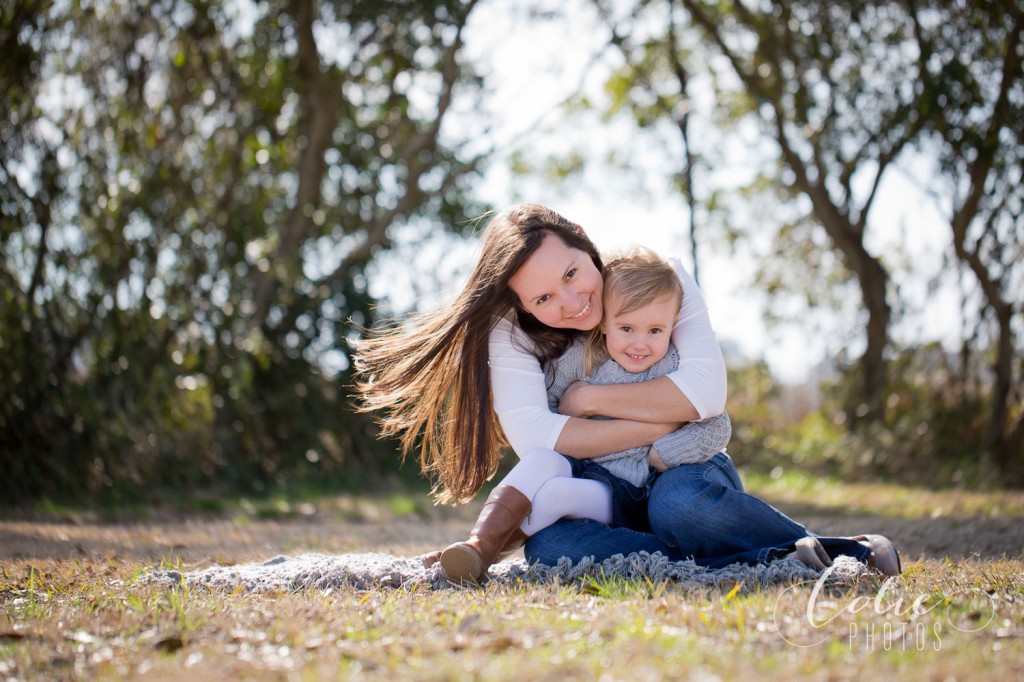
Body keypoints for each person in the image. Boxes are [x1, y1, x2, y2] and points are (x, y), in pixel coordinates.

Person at [353, 204, 900, 580]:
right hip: (604, 490)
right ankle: (754, 561)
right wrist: (661, 418)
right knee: (551, 550)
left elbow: (705, 395)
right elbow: (540, 438)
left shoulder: (656, 281)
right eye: (544, 299)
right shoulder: (511, 333)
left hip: (678, 469)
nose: (568, 303)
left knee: (680, 507)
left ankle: (837, 550)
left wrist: (590, 401)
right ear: (524, 307)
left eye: (571, 273)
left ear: (586, 247)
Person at [438, 245, 734, 581]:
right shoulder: (577, 361)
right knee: (546, 518)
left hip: (642, 487)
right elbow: (545, 423)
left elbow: (714, 420)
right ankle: (479, 548)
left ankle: (710, 556)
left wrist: (664, 447)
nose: (640, 343)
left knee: (673, 505)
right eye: (626, 328)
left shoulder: (671, 363)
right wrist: (657, 418)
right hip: (600, 485)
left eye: (655, 330)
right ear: (606, 323)